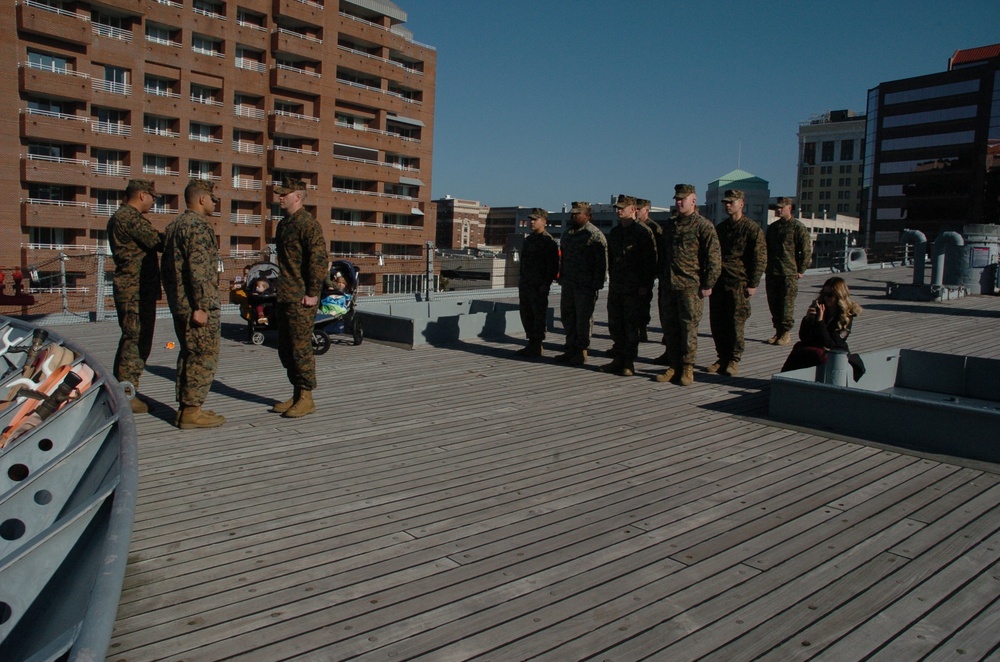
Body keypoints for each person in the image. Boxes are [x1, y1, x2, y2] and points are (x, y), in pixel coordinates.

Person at [160, 179, 225, 429]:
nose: (214, 203)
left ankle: (187, 407)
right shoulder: (197, 227)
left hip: (180, 304)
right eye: (212, 198)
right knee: (203, 356)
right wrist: (201, 306)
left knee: (189, 354)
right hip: (198, 305)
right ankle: (191, 411)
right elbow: (199, 272)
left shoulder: (175, 226)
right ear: (201, 199)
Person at [271, 177, 328, 418]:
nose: (279, 197)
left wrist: (313, 293)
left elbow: (318, 260)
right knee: (285, 347)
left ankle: (306, 396)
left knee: (301, 347)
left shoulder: (308, 224)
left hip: (302, 297)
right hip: (285, 294)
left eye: (284, 194)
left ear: (298, 196)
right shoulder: (283, 224)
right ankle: (296, 392)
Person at [107, 179, 164, 414]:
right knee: (135, 342)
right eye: (152, 197)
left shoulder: (121, 217)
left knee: (133, 339)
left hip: (136, 289)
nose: (153, 202)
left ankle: (122, 389)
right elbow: (158, 242)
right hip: (135, 291)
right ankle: (126, 394)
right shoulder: (129, 218)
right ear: (142, 195)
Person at [655, 184, 721, 386]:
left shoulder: (703, 225)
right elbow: (663, 255)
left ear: (694, 200)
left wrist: (708, 283)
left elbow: (714, 257)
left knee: (688, 329)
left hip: (691, 286)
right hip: (669, 285)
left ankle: (687, 368)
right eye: (677, 198)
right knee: (670, 327)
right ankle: (673, 365)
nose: (679, 202)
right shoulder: (671, 225)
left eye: (683, 198)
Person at [707, 190, 767, 377]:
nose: (727, 205)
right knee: (717, 323)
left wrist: (753, 283)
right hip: (719, 281)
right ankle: (722, 357)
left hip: (738, 283)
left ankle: (734, 359)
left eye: (731, 202)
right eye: (725, 202)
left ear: (741, 204)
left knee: (735, 322)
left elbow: (760, 257)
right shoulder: (721, 228)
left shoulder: (751, 229)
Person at [599, 195, 657, 377]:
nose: (618, 210)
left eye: (622, 208)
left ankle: (629, 362)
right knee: (615, 324)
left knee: (631, 326)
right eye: (617, 207)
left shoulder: (643, 232)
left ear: (633, 209)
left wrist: (645, 285)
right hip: (617, 286)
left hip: (634, 288)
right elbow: (610, 258)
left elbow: (650, 261)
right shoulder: (615, 232)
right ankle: (618, 358)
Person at [554, 201, 607, 366]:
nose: (574, 216)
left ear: (588, 216)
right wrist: (560, 276)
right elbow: (562, 257)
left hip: (586, 285)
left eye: (578, 213)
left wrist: (597, 283)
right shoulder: (567, 233)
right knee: (567, 316)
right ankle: (570, 348)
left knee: (583, 319)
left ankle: (581, 350)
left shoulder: (594, 235)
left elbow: (602, 263)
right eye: (573, 213)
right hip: (569, 283)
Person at [781, 276, 862, 372]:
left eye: (830, 295)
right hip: (818, 347)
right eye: (824, 294)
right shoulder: (821, 307)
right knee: (799, 348)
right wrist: (807, 319)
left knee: (817, 354)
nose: (826, 298)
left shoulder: (846, 316)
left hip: (835, 352)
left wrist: (820, 321)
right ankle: (785, 378)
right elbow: (804, 337)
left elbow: (830, 344)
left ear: (839, 296)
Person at [765, 197, 812, 346]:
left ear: (789, 208)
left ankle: (785, 332)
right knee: (774, 304)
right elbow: (766, 249)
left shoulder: (798, 227)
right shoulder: (773, 228)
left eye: (781, 207)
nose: (778, 210)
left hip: (789, 272)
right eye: (776, 208)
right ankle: (778, 331)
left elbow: (805, 250)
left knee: (787, 304)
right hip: (773, 271)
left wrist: (801, 269)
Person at [514, 208, 559, 358]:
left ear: (544, 222)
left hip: (539, 285)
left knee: (538, 314)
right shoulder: (529, 240)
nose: (531, 222)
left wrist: (545, 283)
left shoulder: (548, 241)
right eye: (531, 219)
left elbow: (552, 265)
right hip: (526, 283)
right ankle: (531, 342)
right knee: (526, 313)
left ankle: (537, 344)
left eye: (535, 219)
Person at [635, 198, 662, 343]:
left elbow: (657, 252)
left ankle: (642, 328)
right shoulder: (633, 227)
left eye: (640, 209)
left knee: (643, 302)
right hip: (633, 273)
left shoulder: (654, 228)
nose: (637, 211)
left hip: (647, 272)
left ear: (647, 210)